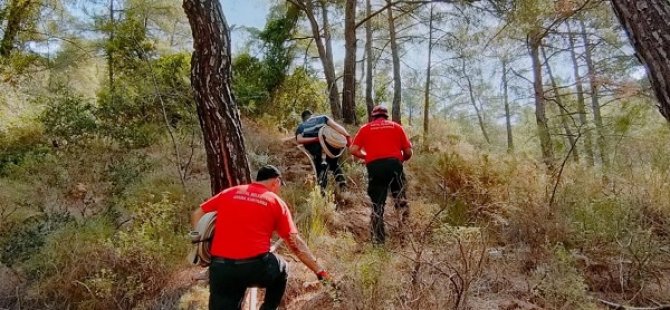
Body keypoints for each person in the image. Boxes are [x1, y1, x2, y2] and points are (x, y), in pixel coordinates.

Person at [191, 165, 331, 310]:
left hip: (220, 267)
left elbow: (197, 213)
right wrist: (319, 271)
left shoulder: (230, 192)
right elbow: (295, 244)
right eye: (280, 185)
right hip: (254, 267)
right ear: (276, 182)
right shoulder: (275, 202)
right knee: (283, 268)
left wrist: (200, 242)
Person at [349, 105, 413, 244]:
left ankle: (379, 241)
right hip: (394, 165)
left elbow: (353, 149)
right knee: (401, 201)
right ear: (386, 116)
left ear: (373, 116)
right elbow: (408, 152)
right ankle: (405, 237)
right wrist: (400, 160)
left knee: (377, 205)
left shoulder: (365, 128)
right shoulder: (396, 127)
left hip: (375, 167)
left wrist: (367, 156)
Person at [295, 110, 351, 192]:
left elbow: (299, 140)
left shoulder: (301, 126)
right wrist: (347, 136)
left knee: (320, 166)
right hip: (331, 145)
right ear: (312, 115)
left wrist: (316, 139)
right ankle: (342, 185)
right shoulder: (323, 118)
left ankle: (322, 189)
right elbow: (336, 127)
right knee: (334, 164)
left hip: (317, 149)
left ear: (303, 118)